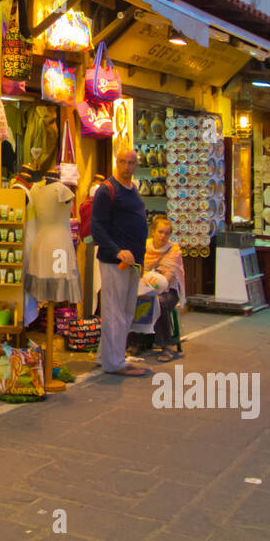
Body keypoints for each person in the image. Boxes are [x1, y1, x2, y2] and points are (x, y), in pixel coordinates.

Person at [90, 145, 149, 376]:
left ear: (136, 165)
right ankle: (114, 364)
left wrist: (140, 262)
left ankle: (107, 356)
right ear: (116, 161)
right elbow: (97, 228)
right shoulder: (106, 190)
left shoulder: (133, 189)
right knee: (114, 312)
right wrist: (116, 251)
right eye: (123, 162)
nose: (127, 167)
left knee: (125, 313)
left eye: (131, 162)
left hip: (133, 263)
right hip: (115, 261)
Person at [139, 215, 185, 362]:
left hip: (168, 290)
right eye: (160, 232)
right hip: (145, 286)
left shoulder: (174, 250)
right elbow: (138, 269)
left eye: (167, 233)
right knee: (132, 299)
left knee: (158, 302)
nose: (163, 236)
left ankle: (166, 346)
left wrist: (151, 283)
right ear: (153, 231)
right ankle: (136, 342)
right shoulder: (144, 247)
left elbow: (168, 279)